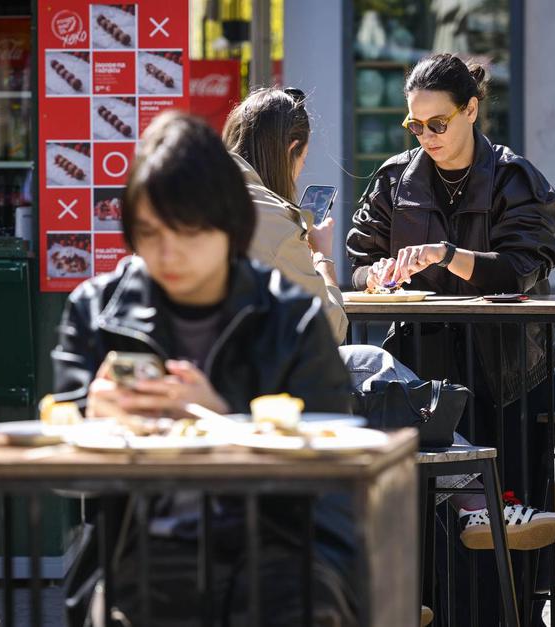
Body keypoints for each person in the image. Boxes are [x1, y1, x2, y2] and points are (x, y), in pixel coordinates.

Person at [53, 110, 357, 626]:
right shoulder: (97, 311)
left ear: (230, 226)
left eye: (188, 233)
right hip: (137, 552)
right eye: (148, 233)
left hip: (276, 552)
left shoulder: (292, 319)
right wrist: (91, 424)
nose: (167, 253)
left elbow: (331, 472)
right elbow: (66, 478)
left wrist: (222, 421)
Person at [345, 53, 555, 625]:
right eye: (415, 125)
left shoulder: (515, 177)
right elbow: (358, 260)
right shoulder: (395, 177)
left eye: (437, 123)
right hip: (421, 373)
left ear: (471, 110)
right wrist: (376, 275)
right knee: (427, 521)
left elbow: (521, 267)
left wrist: (447, 255)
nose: (426, 136)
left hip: (507, 376)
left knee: (508, 513)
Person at [223, 87, 347, 342]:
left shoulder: (194, 192)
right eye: (304, 159)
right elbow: (328, 329)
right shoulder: (275, 222)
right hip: (246, 363)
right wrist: (322, 256)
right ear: (292, 149)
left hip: (174, 353)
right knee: (371, 358)